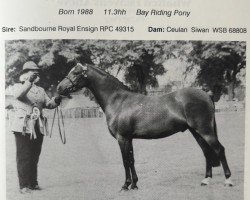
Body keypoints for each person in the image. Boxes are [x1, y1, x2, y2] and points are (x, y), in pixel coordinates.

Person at [10, 61, 62, 194]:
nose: (35, 73)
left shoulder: (40, 90)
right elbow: (19, 95)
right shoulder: (17, 86)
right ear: (24, 74)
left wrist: (56, 101)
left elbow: (47, 104)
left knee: (34, 156)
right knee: (23, 156)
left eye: (36, 72)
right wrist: (29, 82)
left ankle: (33, 183)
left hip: (38, 126)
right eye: (32, 71)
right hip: (23, 126)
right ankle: (23, 186)